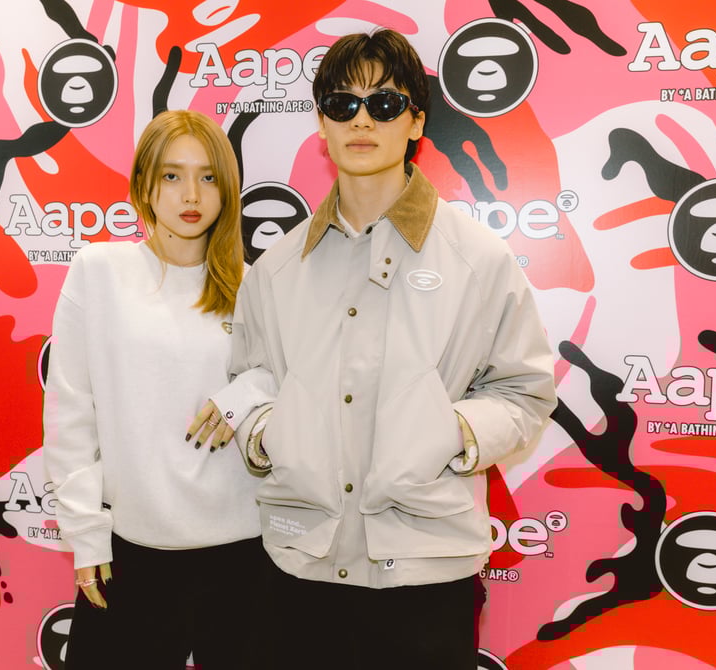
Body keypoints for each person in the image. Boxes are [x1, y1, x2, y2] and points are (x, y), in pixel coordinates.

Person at [228, 29, 558, 669]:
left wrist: (451, 432)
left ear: (416, 121)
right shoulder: (275, 267)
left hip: (425, 575)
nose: (361, 120)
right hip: (299, 568)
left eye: (383, 104)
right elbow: (250, 379)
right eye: (342, 103)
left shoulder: (477, 259)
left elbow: (525, 392)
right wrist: (269, 436)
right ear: (321, 122)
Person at [43, 109, 272, 669]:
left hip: (245, 555)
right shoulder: (99, 271)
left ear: (227, 188)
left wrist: (244, 394)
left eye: (208, 176)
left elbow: (294, 379)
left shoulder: (256, 286)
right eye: (172, 175)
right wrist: (86, 535)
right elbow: (71, 412)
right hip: (132, 553)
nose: (191, 194)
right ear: (144, 184)